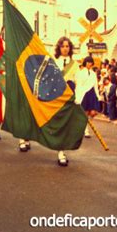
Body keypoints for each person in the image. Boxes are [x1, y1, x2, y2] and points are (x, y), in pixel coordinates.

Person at [51, 36, 78, 165]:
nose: (65, 49)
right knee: (58, 123)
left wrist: (78, 96)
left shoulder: (75, 64)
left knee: (67, 124)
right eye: (63, 46)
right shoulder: (53, 62)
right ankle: (59, 150)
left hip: (69, 96)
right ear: (59, 48)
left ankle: (62, 151)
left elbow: (78, 82)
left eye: (67, 46)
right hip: (57, 95)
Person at [75, 56, 101, 138]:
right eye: (87, 62)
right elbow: (78, 85)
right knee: (85, 113)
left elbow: (95, 85)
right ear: (85, 63)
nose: (89, 64)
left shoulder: (93, 73)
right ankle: (86, 130)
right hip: (84, 94)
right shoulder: (80, 73)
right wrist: (78, 96)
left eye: (90, 62)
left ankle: (83, 126)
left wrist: (98, 95)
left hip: (92, 93)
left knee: (93, 113)